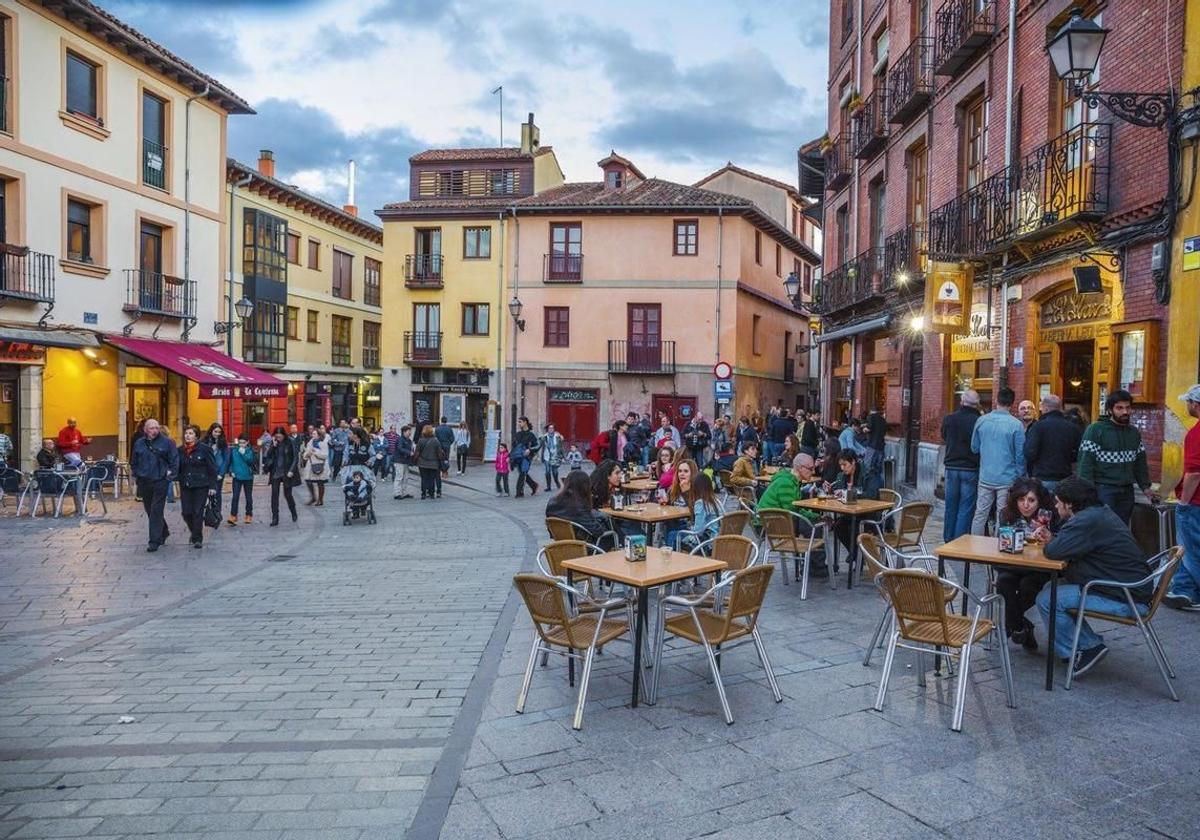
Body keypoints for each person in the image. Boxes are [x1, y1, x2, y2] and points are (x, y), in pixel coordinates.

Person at [1036, 476, 1155, 676]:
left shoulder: (1085, 521)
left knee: (1047, 599)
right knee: (1051, 588)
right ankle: (1087, 643)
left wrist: (1053, 542)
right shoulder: (1099, 513)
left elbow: (1053, 553)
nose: (1056, 506)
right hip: (1130, 588)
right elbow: (1069, 546)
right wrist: (1055, 539)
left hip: (1127, 598)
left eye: (1058, 501)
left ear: (1070, 503)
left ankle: (1085, 649)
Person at [995, 478, 1060, 651]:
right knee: (1003, 581)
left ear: (1039, 501)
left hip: (1039, 567)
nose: (1025, 505)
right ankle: (1020, 627)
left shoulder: (1048, 516)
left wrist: (1048, 537)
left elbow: (1058, 543)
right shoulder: (1006, 514)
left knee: (1028, 586)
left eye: (1031, 500)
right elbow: (1001, 541)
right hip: (1012, 564)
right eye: (1021, 500)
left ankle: (1012, 625)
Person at [1077, 389, 1159, 524]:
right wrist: (1087, 493)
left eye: (1128, 407)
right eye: (1119, 408)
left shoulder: (1133, 433)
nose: (1125, 412)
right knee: (1103, 528)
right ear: (1110, 410)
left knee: (1122, 529)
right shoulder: (1096, 430)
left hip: (1127, 491)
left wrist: (1145, 487)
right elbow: (1085, 464)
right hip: (1103, 489)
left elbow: (1140, 463)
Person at [757, 452, 828, 576]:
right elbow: (792, 510)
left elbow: (793, 509)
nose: (813, 472)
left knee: (813, 523)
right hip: (772, 525)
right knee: (816, 526)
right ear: (800, 468)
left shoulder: (788, 480)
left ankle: (812, 565)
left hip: (773, 521)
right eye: (810, 469)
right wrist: (817, 517)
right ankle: (816, 567)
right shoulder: (786, 483)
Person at [970, 387, 1025, 536]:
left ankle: (975, 549)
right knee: (1003, 514)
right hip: (1007, 477)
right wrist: (1020, 475)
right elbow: (1020, 455)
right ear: (1012, 403)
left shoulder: (981, 420)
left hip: (986, 475)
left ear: (996, 400)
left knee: (980, 513)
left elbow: (974, 448)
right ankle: (998, 548)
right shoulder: (1016, 425)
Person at [1166, 384, 1200, 610]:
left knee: (1190, 548)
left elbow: (1195, 472)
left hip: (1195, 502)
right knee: (1188, 547)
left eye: (1188, 401)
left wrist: (1184, 501)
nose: (1186, 405)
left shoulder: (1196, 433)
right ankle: (1184, 590)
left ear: (1195, 404)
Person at [130, 419, 178, 552]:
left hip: (160, 481)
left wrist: (169, 477)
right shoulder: (139, 443)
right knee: (149, 510)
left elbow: (174, 460)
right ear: (145, 429)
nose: (155, 430)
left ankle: (154, 541)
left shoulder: (167, 442)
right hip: (145, 481)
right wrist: (137, 473)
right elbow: (133, 460)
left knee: (156, 510)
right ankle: (164, 530)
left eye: (157, 427)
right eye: (152, 428)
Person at [941, 389, 982, 542]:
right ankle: (959, 541)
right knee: (966, 506)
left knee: (951, 504)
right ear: (977, 404)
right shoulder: (979, 421)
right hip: (970, 468)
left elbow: (944, 436)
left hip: (951, 466)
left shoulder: (949, 419)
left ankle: (948, 538)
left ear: (962, 401)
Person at [1023, 394, 1081, 494]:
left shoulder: (1038, 427)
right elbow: (1079, 453)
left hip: (1042, 477)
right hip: (1065, 477)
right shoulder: (1072, 428)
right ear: (1060, 408)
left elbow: (1029, 453)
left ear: (1045, 407)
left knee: (1044, 507)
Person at [827, 449, 882, 553]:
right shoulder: (841, 476)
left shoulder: (869, 473)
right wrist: (831, 490)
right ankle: (855, 554)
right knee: (838, 526)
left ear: (853, 462)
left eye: (844, 464)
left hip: (868, 514)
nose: (842, 468)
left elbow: (872, 494)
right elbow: (838, 492)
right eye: (840, 465)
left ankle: (857, 557)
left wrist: (851, 493)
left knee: (854, 528)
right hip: (850, 514)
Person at [546, 469, 613, 546]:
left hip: (562, 546)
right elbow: (598, 531)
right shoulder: (579, 506)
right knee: (612, 532)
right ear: (585, 487)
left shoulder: (552, 501)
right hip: (585, 547)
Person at [176, 425, 218, 549]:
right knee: (186, 512)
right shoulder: (180, 450)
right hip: (186, 485)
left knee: (197, 511)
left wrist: (212, 486)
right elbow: (177, 467)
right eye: (186, 433)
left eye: (190, 433)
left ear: (196, 436)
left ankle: (197, 538)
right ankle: (194, 532)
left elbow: (212, 468)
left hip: (201, 485)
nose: (187, 436)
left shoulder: (205, 449)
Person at [264, 426, 298, 526]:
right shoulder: (274, 443)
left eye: (280, 437)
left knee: (287, 494)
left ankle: (293, 511)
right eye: (276, 436)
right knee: (274, 495)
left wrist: (292, 470)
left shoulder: (290, 441)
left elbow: (295, 457)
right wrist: (273, 446)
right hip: (276, 472)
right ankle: (275, 518)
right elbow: (268, 456)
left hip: (286, 471)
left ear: (284, 435)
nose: (278, 438)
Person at [202, 422, 230, 516]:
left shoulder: (223, 443)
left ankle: (217, 513)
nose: (217, 434)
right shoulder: (205, 441)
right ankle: (207, 513)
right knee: (205, 492)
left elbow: (226, 459)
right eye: (215, 431)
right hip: (206, 472)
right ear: (211, 431)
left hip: (218, 472)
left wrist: (221, 474)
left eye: (219, 432)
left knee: (217, 493)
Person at [228, 433, 256, 525]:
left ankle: (249, 515)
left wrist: (244, 453)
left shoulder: (250, 451)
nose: (241, 445)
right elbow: (231, 462)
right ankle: (233, 515)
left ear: (247, 442)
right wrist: (231, 471)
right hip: (236, 477)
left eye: (243, 443)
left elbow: (251, 461)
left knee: (248, 497)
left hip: (248, 477)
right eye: (240, 443)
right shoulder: (234, 450)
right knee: (235, 496)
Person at [300, 427, 329, 506]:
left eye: (314, 434)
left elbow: (325, 455)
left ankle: (320, 499)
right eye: (312, 434)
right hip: (311, 464)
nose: (312, 435)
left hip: (320, 464)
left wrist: (315, 452)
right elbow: (305, 455)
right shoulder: (310, 442)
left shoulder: (323, 443)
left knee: (320, 482)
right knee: (308, 481)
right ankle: (313, 497)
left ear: (319, 435)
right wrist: (307, 454)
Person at [512, 416, 540, 497]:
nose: (519, 423)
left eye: (520, 422)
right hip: (518, 457)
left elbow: (537, 446)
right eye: (518, 422)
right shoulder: (518, 434)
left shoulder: (531, 435)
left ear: (525, 422)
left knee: (522, 473)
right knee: (522, 473)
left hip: (527, 458)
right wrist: (510, 456)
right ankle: (534, 485)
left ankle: (519, 492)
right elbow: (514, 446)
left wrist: (530, 450)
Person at [415, 424, 444, 500]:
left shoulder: (421, 440)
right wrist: (441, 461)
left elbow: (417, 452)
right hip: (434, 463)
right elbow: (439, 453)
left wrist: (414, 460)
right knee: (432, 479)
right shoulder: (436, 440)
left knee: (424, 479)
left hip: (422, 463)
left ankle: (423, 494)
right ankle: (431, 494)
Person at [392, 425, 415, 500]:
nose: (410, 433)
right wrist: (409, 452)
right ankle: (397, 493)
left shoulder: (409, 440)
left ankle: (404, 493)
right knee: (399, 477)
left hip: (406, 461)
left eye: (410, 431)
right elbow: (400, 448)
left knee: (405, 478)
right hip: (399, 461)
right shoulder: (400, 439)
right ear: (404, 432)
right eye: (409, 431)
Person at [540, 423, 564, 489]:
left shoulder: (557, 437)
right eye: (549, 428)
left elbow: (561, 447)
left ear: (554, 429)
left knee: (555, 472)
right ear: (547, 429)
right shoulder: (544, 437)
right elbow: (539, 445)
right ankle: (548, 486)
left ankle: (557, 482)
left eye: (552, 428)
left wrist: (563, 456)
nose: (551, 429)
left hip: (555, 456)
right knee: (547, 471)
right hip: (546, 456)